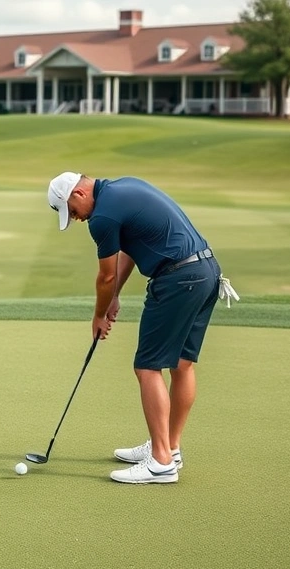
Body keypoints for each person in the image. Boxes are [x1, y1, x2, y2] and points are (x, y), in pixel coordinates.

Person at [46, 172, 237, 484]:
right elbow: (130, 252)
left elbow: (105, 276)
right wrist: (115, 297)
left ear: (78, 193)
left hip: (178, 280)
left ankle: (160, 462)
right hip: (205, 272)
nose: (78, 219)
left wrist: (99, 315)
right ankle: (169, 448)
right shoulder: (124, 187)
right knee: (182, 364)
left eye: (73, 212)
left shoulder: (102, 217)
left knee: (147, 367)